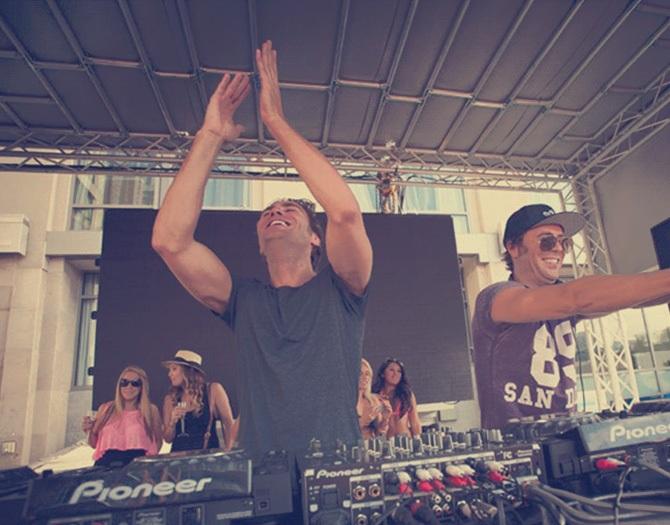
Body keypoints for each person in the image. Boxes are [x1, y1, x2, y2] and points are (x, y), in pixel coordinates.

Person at [151, 39, 373, 459]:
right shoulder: (245, 300)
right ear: (259, 241)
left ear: (315, 238)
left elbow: (344, 213)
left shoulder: (342, 290)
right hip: (260, 475)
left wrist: (275, 120)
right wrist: (210, 135)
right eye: (269, 211)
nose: (276, 211)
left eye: (290, 209)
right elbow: (170, 241)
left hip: (337, 470)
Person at [472, 204, 670, 428]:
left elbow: (634, 299)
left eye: (564, 242)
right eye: (547, 241)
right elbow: (575, 297)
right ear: (513, 248)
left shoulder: (565, 303)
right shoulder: (496, 297)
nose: (558, 249)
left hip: (568, 437)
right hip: (516, 444)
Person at [82, 365, 162, 467]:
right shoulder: (106, 408)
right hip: (105, 466)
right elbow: (94, 444)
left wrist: (147, 466)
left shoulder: (151, 410)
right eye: (124, 382)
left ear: (142, 387)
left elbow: (158, 442)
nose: (129, 387)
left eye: (135, 383)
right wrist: (88, 430)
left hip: (137, 467)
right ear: (119, 385)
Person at [162, 349, 235, 451]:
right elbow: (168, 439)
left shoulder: (213, 390)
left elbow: (228, 423)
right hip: (179, 457)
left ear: (188, 371)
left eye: (174, 369)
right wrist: (172, 423)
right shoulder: (170, 399)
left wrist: (228, 451)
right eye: (169, 370)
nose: (169, 374)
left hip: (207, 456)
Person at [372, 358, 421, 437]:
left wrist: (418, 439)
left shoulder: (407, 395)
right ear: (382, 374)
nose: (396, 374)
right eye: (391, 370)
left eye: (399, 371)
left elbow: (415, 422)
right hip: (386, 441)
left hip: (406, 440)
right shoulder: (375, 396)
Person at [357, 358, 391, 439]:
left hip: (371, 444)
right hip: (352, 445)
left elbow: (379, 433)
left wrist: (385, 419)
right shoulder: (346, 402)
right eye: (360, 373)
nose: (365, 377)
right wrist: (363, 422)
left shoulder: (374, 400)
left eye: (367, 374)